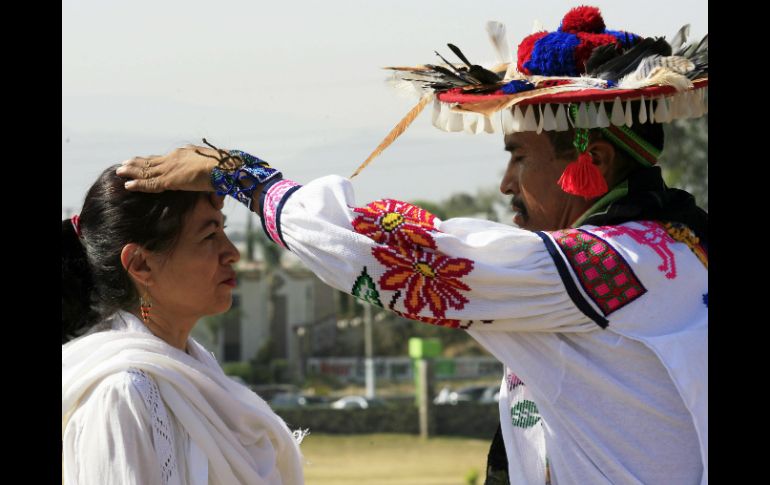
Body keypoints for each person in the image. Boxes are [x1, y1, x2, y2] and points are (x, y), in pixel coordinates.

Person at [118, 6, 707, 484]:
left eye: (520, 158)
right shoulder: (682, 248)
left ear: (592, 161)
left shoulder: (603, 267)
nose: (506, 184)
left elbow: (401, 251)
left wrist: (240, 174)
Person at [62, 166, 305, 484]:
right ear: (141, 264)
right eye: (208, 236)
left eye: (223, 230)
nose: (231, 252)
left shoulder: (195, 371)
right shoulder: (122, 395)